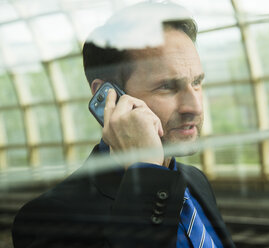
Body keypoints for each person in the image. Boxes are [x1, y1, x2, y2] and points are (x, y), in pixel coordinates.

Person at [12, 2, 235, 248]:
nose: (195, 107)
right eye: (167, 86)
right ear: (110, 97)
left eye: (196, 82)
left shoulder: (196, 182)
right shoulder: (49, 220)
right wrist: (147, 175)